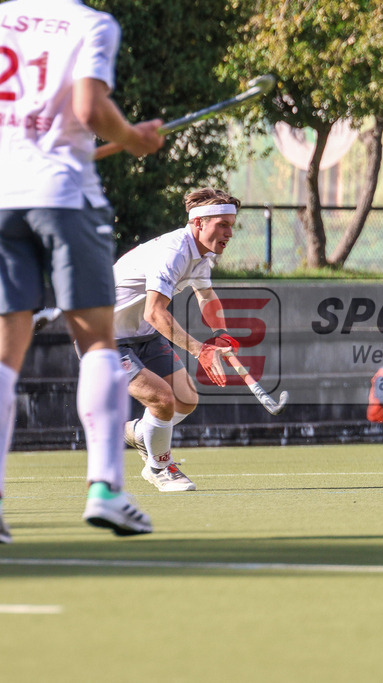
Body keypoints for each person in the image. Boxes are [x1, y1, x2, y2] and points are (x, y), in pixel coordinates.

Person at [0, 0, 165, 542]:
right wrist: (134, 138)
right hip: (66, 197)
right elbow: (91, 109)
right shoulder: (90, 23)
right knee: (98, 341)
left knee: (5, 354)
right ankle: (106, 491)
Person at [116, 188, 242, 492]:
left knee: (186, 399)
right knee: (162, 399)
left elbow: (206, 295)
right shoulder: (173, 252)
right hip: (104, 336)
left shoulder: (201, 255)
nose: (229, 233)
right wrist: (201, 351)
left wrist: (220, 334)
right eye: (222, 225)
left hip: (143, 336)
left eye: (231, 225)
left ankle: (139, 432)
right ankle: (160, 468)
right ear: (199, 223)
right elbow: (154, 312)